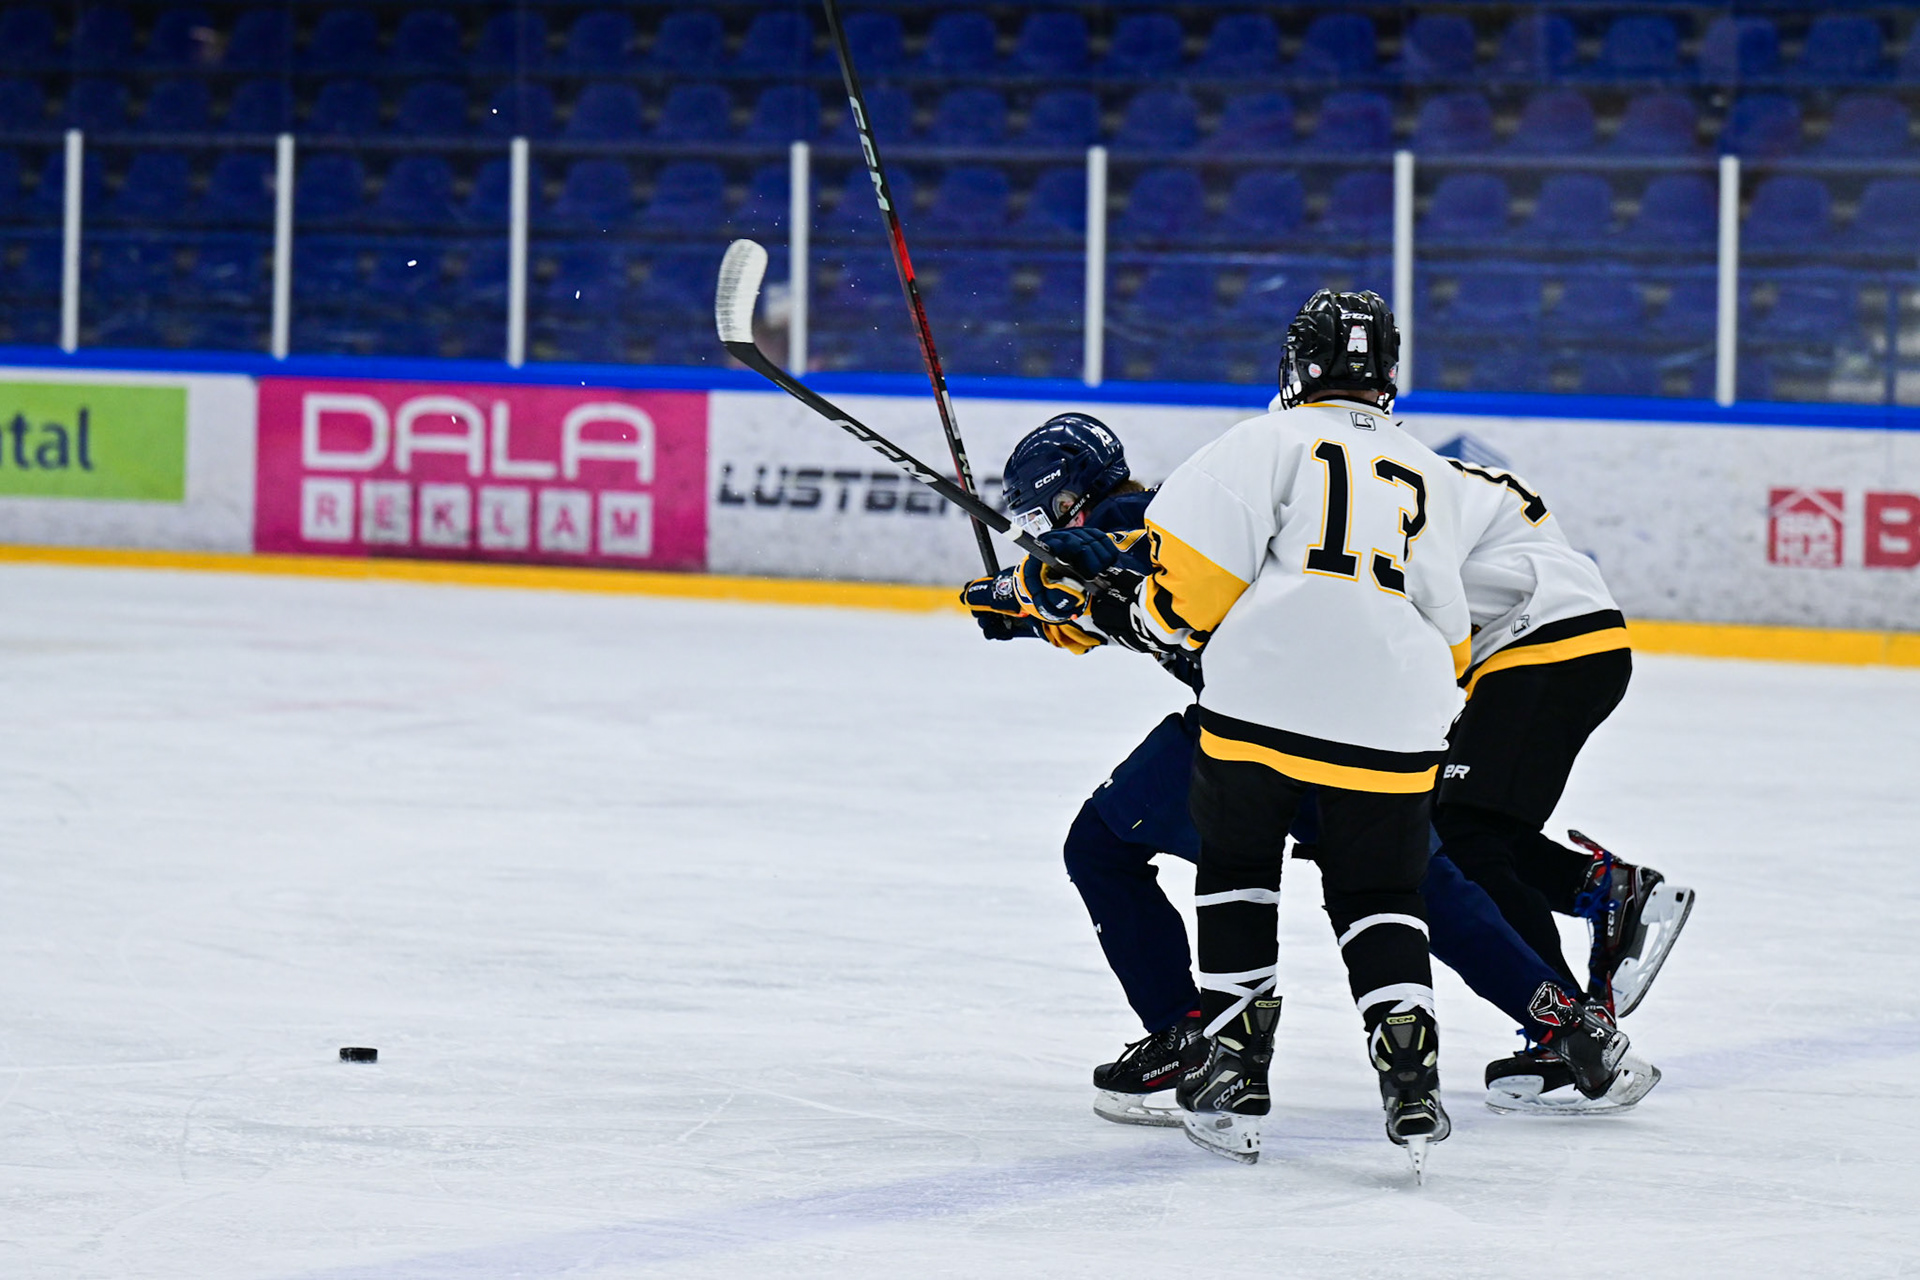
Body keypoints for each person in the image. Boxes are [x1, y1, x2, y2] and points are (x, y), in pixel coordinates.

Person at [964, 416, 1669, 1127]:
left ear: (1063, 499)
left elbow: (1116, 559)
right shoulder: (1263, 494)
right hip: (1358, 724)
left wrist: (1028, 585)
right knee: (1422, 889)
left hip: (1255, 727)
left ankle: (1190, 1036)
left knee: (1101, 847)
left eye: (1040, 515)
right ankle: (1575, 1031)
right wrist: (1032, 613)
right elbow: (1117, 600)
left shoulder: (1146, 514)